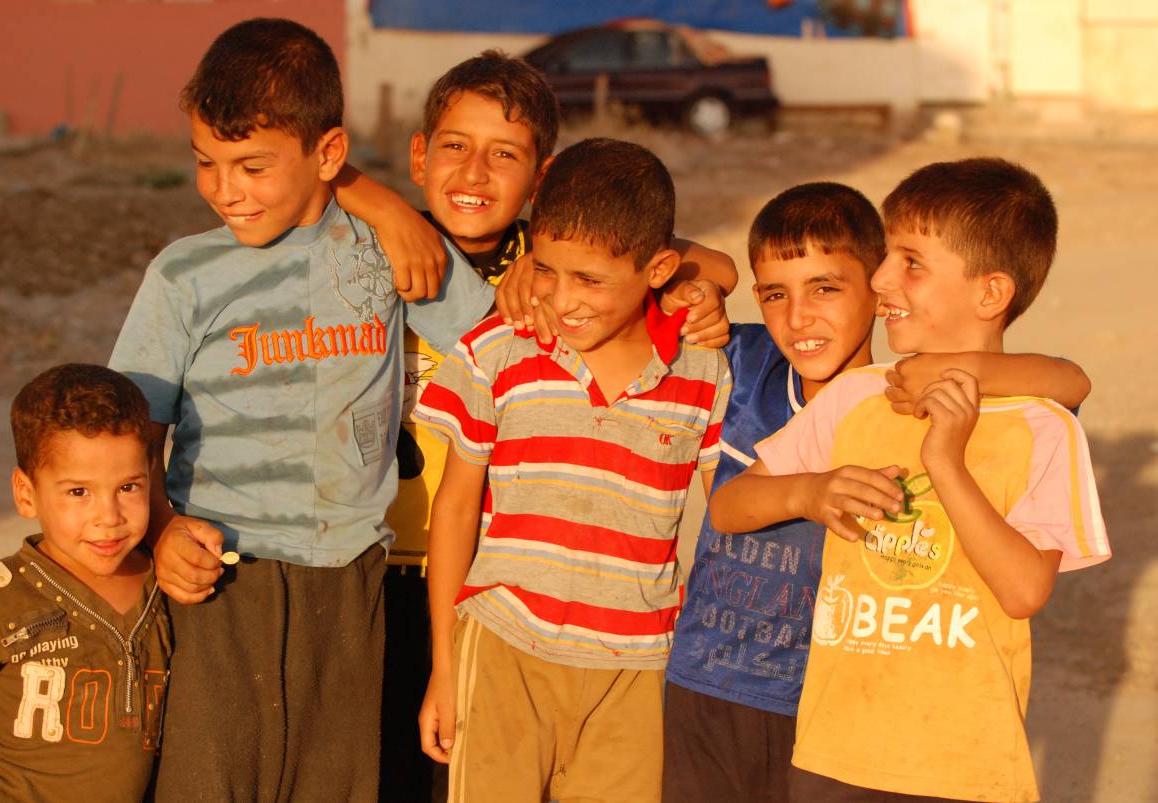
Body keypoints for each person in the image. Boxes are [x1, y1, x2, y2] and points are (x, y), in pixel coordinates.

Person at [328, 50, 737, 802]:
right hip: (371, 567)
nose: (475, 173)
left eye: (504, 155)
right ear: (419, 155)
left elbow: (694, 260)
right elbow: (304, 171)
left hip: (489, 583)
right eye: (455, 146)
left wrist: (695, 283)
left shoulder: (544, 264)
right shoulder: (373, 246)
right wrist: (388, 209)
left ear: (540, 179)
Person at [107, 18, 496, 802]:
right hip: (219, 582)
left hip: (351, 583)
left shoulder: (389, 248)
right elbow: (127, 438)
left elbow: (504, 341)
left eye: (252, 166)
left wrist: (684, 270)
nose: (225, 189)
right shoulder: (184, 275)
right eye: (207, 163)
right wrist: (162, 529)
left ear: (327, 153)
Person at [661, 181, 1094, 803]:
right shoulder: (856, 397)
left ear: (991, 292)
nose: (885, 278)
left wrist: (944, 460)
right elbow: (729, 505)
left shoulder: (1040, 425)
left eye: (908, 262)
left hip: (962, 763)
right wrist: (809, 493)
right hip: (826, 747)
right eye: (887, 259)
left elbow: (1025, 590)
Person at [412, 137, 732, 802]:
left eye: (590, 280)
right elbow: (456, 507)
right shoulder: (496, 351)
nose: (562, 299)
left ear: (658, 268)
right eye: (546, 270)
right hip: (502, 647)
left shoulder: (703, 371)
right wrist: (444, 665)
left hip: (637, 671)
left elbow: (725, 519)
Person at [0, 364, 168, 802]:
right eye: (78, 492)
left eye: (128, 487)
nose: (108, 517)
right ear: (26, 494)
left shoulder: (166, 586)